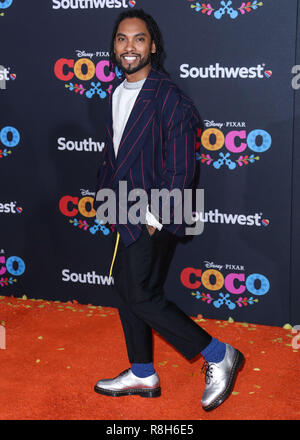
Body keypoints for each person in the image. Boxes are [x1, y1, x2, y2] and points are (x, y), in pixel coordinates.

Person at [93, 9, 244, 412]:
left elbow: (181, 167)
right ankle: (143, 372)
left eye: (139, 39)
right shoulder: (115, 92)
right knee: (127, 291)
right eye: (122, 39)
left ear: (153, 46)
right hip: (121, 206)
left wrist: (155, 219)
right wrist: (106, 201)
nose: (129, 47)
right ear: (114, 47)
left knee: (140, 294)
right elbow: (117, 157)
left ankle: (218, 354)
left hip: (156, 211)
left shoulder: (169, 96)